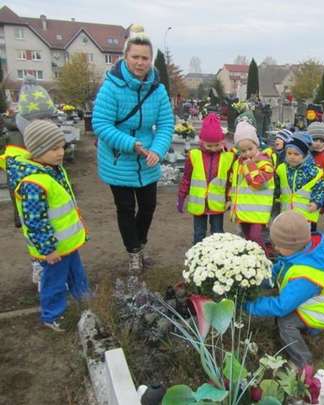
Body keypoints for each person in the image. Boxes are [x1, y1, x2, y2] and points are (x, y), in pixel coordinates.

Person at [92, 26, 174, 272]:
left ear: (151, 60)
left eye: (145, 58)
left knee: (148, 206)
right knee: (126, 207)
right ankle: (134, 252)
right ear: (125, 57)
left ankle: (140, 243)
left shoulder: (157, 89)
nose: (140, 62)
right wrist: (130, 144)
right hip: (118, 158)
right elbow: (100, 123)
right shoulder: (112, 86)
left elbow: (166, 124)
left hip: (147, 158)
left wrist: (157, 150)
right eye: (135, 57)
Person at [9, 120, 89, 332]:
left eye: (62, 146)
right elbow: (35, 221)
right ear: (37, 150)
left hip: (67, 244)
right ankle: (53, 315)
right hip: (53, 248)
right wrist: (48, 249)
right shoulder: (33, 183)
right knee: (54, 283)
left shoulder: (51, 169)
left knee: (77, 275)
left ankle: (86, 304)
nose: (60, 152)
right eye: (54, 148)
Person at [244, 211, 324, 368]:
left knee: (286, 323)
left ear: (292, 246)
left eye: (278, 245)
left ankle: (303, 363)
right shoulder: (300, 254)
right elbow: (277, 272)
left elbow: (281, 307)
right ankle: (306, 330)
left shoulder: (305, 278)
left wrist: (249, 306)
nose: (275, 248)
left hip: (323, 313)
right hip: (314, 304)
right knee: (285, 313)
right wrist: (253, 279)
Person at [177, 114, 234, 244]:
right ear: (202, 142)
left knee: (218, 233)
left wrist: (230, 198)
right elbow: (187, 178)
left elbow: (230, 182)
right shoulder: (194, 156)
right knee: (199, 233)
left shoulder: (228, 157)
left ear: (222, 142)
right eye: (209, 146)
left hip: (217, 202)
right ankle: (198, 257)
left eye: (217, 145)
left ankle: (216, 259)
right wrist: (181, 196)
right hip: (198, 202)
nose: (213, 149)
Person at [229, 121, 274, 254]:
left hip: (258, 210)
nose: (247, 153)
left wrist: (250, 166)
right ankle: (253, 261)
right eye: (243, 151)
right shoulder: (238, 163)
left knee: (255, 237)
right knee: (248, 239)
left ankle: (264, 259)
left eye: (250, 149)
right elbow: (234, 184)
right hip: (243, 209)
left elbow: (258, 182)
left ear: (257, 145)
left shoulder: (265, 162)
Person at [275, 132, 324, 230]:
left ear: (305, 155)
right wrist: (276, 197)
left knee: (304, 241)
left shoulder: (313, 171)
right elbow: (276, 185)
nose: (292, 157)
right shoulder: (281, 169)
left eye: (296, 154)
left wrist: (316, 202)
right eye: (289, 153)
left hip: (306, 215)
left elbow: (320, 189)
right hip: (286, 213)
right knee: (287, 237)